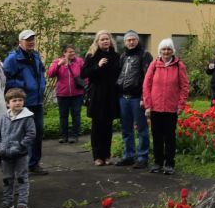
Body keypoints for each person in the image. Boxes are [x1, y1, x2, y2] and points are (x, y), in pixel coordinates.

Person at [3, 29, 47, 175]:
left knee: (38, 133)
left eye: (33, 39)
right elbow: (6, 79)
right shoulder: (12, 58)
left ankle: (34, 164)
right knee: (22, 134)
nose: (31, 42)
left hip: (37, 101)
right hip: (22, 102)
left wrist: (42, 85)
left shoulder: (35, 55)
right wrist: (23, 85)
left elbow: (40, 73)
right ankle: (21, 165)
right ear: (20, 42)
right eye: (28, 39)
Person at [143, 38, 189, 174]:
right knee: (156, 136)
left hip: (171, 107)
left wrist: (181, 104)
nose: (166, 51)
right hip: (155, 107)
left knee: (169, 137)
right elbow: (146, 85)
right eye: (164, 49)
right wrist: (147, 105)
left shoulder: (179, 65)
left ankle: (169, 164)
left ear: (172, 50)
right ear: (160, 51)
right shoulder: (154, 65)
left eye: (169, 49)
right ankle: (157, 162)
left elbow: (184, 86)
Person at [0, 87, 36, 208]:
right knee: (7, 179)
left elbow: (31, 134)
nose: (17, 103)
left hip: (20, 154)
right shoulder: (3, 118)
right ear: (7, 103)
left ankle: (22, 203)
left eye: (20, 100)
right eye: (14, 100)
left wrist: (20, 146)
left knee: (22, 178)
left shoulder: (27, 117)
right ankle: (7, 201)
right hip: (5, 154)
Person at [81, 30, 121, 166]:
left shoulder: (116, 56)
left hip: (111, 95)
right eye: (102, 39)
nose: (105, 41)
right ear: (97, 42)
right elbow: (84, 73)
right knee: (97, 127)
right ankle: (97, 156)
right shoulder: (92, 55)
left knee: (108, 128)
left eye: (107, 39)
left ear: (110, 41)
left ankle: (107, 155)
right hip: (97, 96)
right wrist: (97, 66)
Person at [116, 31, 153, 167]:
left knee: (142, 128)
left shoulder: (145, 55)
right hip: (123, 98)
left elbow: (148, 78)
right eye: (128, 40)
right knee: (126, 129)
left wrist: (145, 97)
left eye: (133, 39)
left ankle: (143, 157)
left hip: (137, 98)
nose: (131, 42)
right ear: (125, 42)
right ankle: (129, 156)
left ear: (137, 41)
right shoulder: (123, 56)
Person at [47, 44, 86, 144]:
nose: (72, 53)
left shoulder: (79, 61)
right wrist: (58, 65)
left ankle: (74, 135)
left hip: (77, 93)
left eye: (73, 51)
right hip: (62, 94)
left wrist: (86, 84)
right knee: (63, 115)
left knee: (76, 115)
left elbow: (86, 75)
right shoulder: (57, 61)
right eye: (70, 52)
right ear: (64, 53)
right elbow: (50, 74)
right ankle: (63, 135)